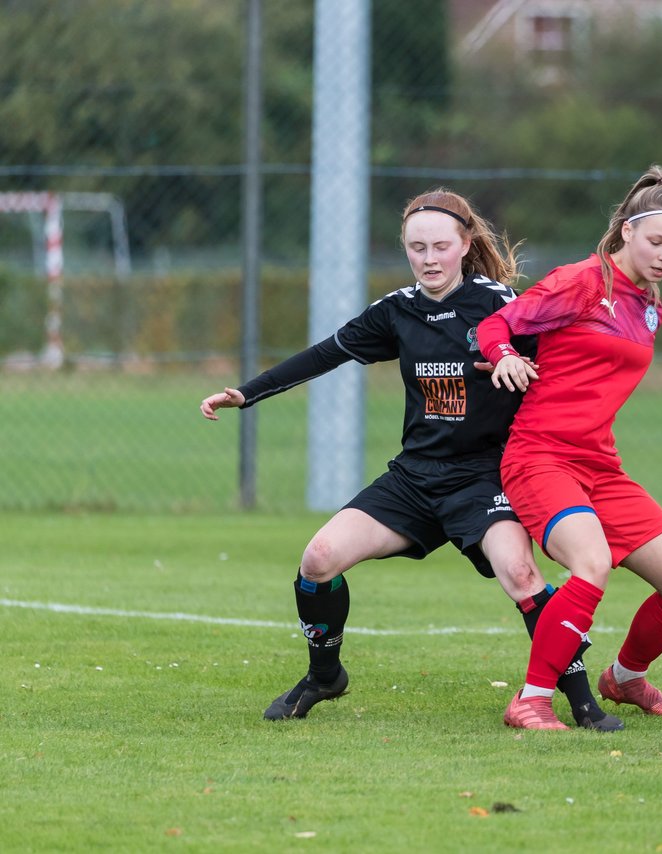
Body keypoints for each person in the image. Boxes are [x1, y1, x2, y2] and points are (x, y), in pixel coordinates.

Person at [200, 189, 620, 730]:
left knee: (519, 573)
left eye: (440, 246)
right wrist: (246, 393)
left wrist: (518, 367)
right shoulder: (398, 311)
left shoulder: (501, 305)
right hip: (415, 479)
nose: (428, 258)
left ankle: (583, 701)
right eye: (416, 247)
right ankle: (325, 676)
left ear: (465, 245)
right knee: (319, 558)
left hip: (486, 477)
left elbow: (563, 364)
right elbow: (325, 353)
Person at [477, 165, 662, 730]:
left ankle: (625, 679)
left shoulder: (649, 302)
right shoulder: (582, 281)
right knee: (592, 562)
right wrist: (506, 356)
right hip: (539, 457)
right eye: (656, 241)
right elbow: (496, 326)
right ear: (626, 230)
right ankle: (530, 701)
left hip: (600, 467)